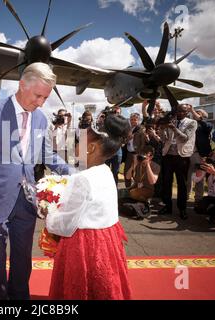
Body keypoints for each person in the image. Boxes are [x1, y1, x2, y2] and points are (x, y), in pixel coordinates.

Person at [0, 62, 68, 300]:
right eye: (38, 95)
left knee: (23, 258)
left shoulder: (41, 118)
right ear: (22, 84)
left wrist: (75, 172)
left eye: (45, 97)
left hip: (27, 199)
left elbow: (47, 154)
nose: (41, 102)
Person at [46, 114, 132, 300]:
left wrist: (48, 212)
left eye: (79, 141)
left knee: (82, 287)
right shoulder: (106, 171)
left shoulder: (82, 179)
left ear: (91, 148)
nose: (75, 145)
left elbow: (65, 225)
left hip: (84, 245)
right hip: (107, 240)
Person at [158, 104, 197, 219]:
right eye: (178, 111)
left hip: (182, 157)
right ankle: (167, 206)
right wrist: (162, 129)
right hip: (168, 155)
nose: (179, 113)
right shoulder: (172, 121)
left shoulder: (192, 123)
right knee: (166, 182)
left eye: (182, 111)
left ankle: (182, 209)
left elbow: (185, 138)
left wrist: (174, 128)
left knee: (182, 184)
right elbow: (164, 139)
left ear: (187, 112)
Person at [187, 107, 213, 203]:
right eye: (194, 113)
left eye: (197, 113)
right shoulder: (190, 124)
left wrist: (192, 110)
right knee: (188, 177)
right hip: (188, 154)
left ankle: (198, 198)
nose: (194, 114)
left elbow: (207, 127)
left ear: (203, 116)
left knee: (199, 177)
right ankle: (185, 196)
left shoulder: (207, 125)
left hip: (200, 155)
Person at [124, 113, 146, 188]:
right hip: (129, 154)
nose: (133, 121)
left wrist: (139, 154)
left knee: (138, 173)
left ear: (138, 120)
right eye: (131, 119)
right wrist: (128, 138)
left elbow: (143, 143)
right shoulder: (127, 129)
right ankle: (128, 189)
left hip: (138, 154)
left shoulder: (141, 129)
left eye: (135, 120)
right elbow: (125, 142)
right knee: (127, 172)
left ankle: (138, 191)